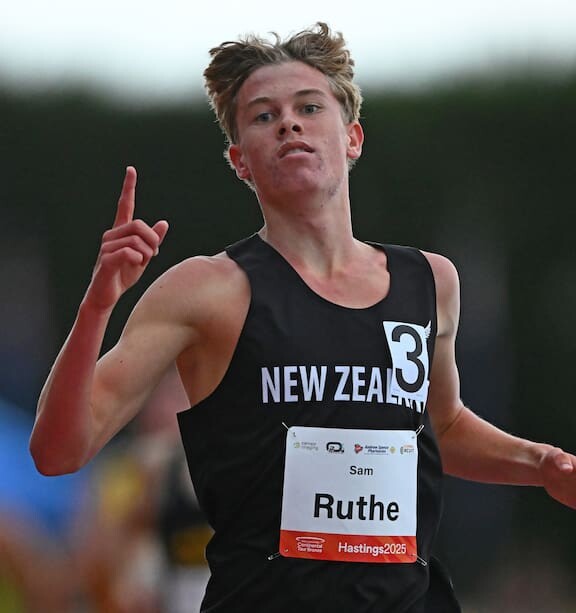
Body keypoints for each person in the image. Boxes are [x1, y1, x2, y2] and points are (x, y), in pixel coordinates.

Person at [30, 22, 576, 612]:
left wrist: (542, 463)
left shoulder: (430, 282)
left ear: (352, 137)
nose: (289, 123)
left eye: (309, 108)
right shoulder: (206, 291)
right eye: (264, 115)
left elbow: (440, 427)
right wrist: (96, 306)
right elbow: (58, 451)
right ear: (239, 160)